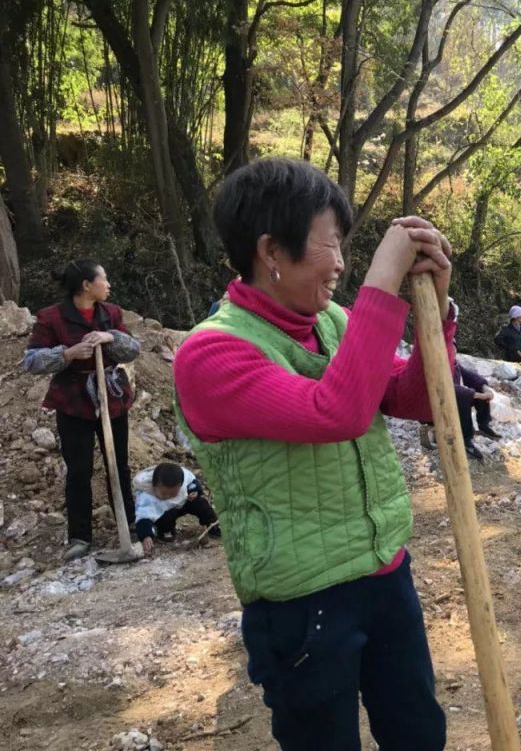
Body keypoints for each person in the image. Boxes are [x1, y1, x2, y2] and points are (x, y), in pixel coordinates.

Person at [173, 158, 453, 750]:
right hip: (304, 606)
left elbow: (415, 398)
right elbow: (337, 411)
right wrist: (383, 281)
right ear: (272, 250)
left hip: (385, 574)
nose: (344, 266)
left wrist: (438, 308)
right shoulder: (211, 355)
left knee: (420, 733)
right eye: (332, 246)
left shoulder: (333, 321)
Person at [22, 259, 141, 562]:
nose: (109, 284)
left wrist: (110, 337)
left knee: (120, 465)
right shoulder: (51, 317)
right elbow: (32, 361)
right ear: (87, 285)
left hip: (111, 397)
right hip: (73, 401)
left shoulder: (111, 313)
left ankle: (129, 525)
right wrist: (68, 353)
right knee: (79, 470)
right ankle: (80, 536)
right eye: (104, 279)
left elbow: (133, 349)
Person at [133, 462, 220, 558]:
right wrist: (146, 535)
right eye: (164, 493)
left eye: (172, 493)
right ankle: (166, 532)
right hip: (165, 511)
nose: (168, 496)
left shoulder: (183, 476)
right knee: (164, 520)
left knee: (201, 503)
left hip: (183, 502)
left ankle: (214, 525)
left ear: (179, 486)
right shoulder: (146, 495)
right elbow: (143, 517)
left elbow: (193, 482)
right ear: (155, 486)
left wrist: (195, 491)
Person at [454, 359, 502, 460]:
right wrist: (477, 395)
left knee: (478, 388)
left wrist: (484, 387)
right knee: (463, 398)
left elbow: (469, 376)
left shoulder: (453, 363)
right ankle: (465, 439)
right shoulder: (437, 364)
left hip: (453, 398)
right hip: (435, 405)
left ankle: (483, 425)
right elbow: (452, 388)